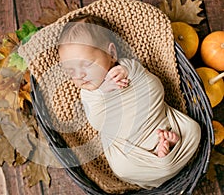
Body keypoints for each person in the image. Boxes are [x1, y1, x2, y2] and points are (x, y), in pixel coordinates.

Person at [57, 14, 201, 189]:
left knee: (194, 129)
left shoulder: (127, 67)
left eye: (86, 64)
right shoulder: (89, 94)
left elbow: (150, 83)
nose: (79, 75)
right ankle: (163, 156)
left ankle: (164, 152)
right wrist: (103, 92)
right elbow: (97, 120)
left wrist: (128, 71)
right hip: (130, 148)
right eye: (70, 71)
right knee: (122, 168)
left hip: (159, 123)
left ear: (111, 53)